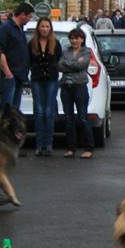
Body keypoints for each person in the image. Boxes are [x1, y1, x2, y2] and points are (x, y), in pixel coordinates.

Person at [29, 17, 63, 157]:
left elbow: (59, 60)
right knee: (38, 112)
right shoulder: (32, 43)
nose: (44, 29)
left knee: (48, 112)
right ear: (38, 28)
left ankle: (48, 145)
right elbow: (29, 61)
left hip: (51, 81)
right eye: (42, 26)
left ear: (50, 28)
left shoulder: (55, 44)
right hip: (37, 80)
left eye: (47, 26)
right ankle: (39, 145)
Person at [58, 28, 94, 159]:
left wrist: (68, 65)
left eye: (77, 38)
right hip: (66, 88)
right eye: (72, 38)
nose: (74, 41)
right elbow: (59, 66)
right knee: (69, 119)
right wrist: (73, 63)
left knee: (83, 118)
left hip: (79, 87)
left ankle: (89, 148)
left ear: (82, 39)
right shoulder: (66, 51)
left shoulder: (86, 51)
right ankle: (71, 149)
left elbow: (82, 65)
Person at [0, 1, 33, 110]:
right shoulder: (6, 28)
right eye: (29, 17)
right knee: (6, 111)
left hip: (19, 76)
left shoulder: (20, 29)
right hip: (9, 76)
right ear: (22, 15)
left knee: (14, 111)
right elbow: (0, 52)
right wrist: (8, 74)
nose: (30, 20)